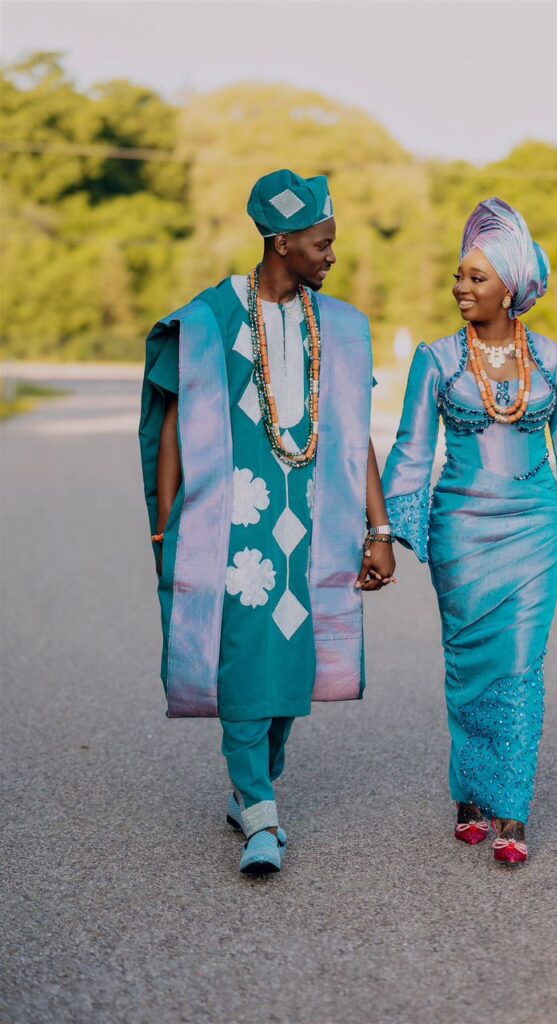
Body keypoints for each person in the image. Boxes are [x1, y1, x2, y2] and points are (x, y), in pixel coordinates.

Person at [139, 169, 395, 876]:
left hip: (315, 528)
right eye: (322, 244)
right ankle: (259, 811)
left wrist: (378, 530)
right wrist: (167, 529)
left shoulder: (338, 327)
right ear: (281, 243)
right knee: (244, 660)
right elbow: (169, 425)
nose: (331, 256)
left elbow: (352, 429)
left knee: (290, 669)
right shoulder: (209, 319)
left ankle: (255, 781)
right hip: (230, 529)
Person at [382, 197, 557, 865]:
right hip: (460, 528)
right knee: (468, 668)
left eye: (476, 278)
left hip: (534, 529)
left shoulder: (551, 357)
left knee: (518, 665)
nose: (461, 287)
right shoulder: (434, 359)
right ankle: (469, 794)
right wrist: (386, 533)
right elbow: (408, 449)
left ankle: (510, 809)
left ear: (509, 286)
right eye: (458, 276)